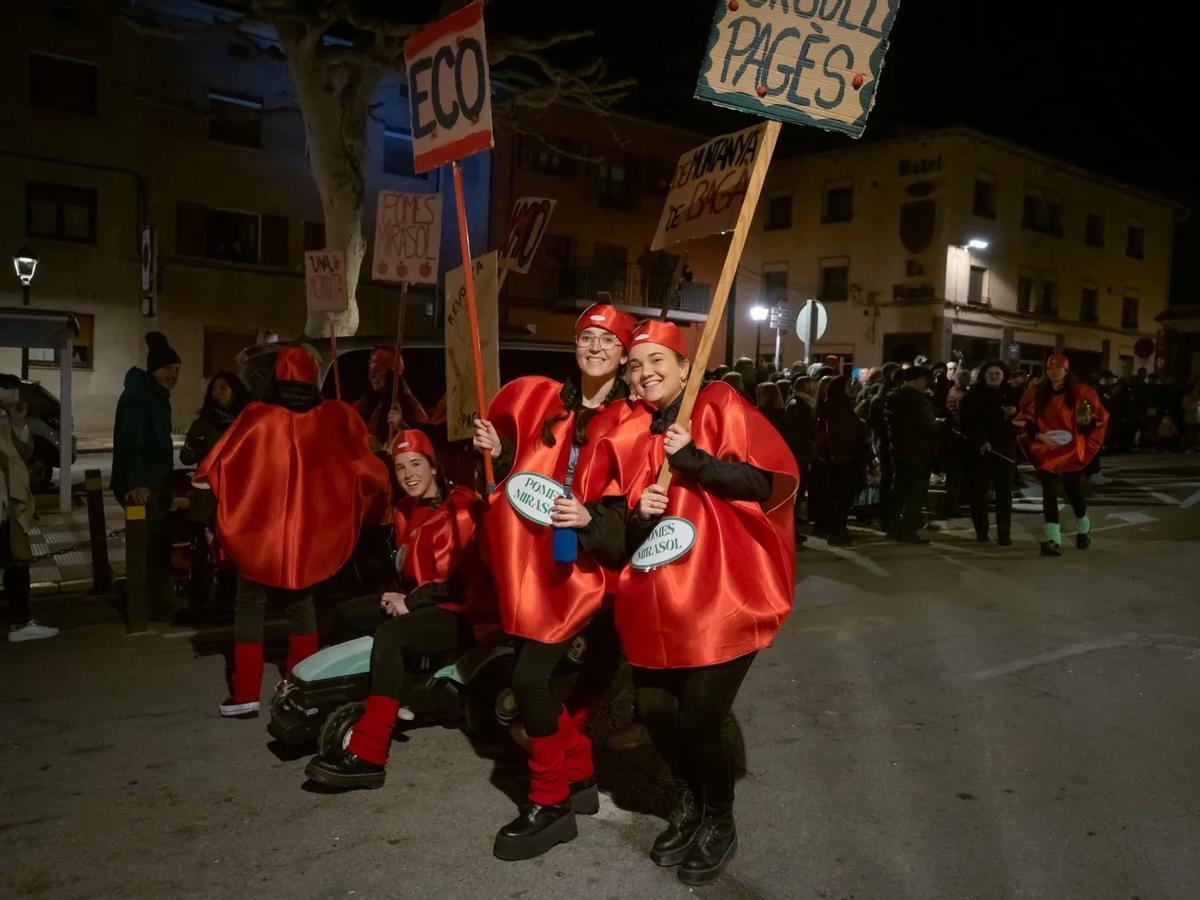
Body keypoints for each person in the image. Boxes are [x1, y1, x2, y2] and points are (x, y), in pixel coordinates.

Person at [578, 319, 798, 886]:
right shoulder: (634, 432)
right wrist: (640, 513)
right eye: (636, 365)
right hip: (661, 601)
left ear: (683, 366)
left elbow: (762, 483)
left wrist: (695, 458)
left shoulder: (717, 402)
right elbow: (624, 538)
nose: (645, 372)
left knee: (700, 715)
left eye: (658, 361)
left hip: (724, 594)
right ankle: (692, 803)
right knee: (653, 710)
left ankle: (718, 817)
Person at [472, 304, 637, 861]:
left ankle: (551, 801)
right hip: (535, 570)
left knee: (531, 680)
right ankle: (581, 774)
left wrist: (593, 520)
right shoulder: (547, 403)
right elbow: (522, 477)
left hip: (587, 579)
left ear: (622, 353)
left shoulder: (633, 420)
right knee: (545, 683)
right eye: (586, 337)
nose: (594, 348)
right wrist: (498, 455)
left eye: (606, 340)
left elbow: (635, 511)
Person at [193, 346, 390, 717]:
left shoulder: (256, 417)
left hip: (257, 536)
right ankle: (303, 688)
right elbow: (364, 470)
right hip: (307, 539)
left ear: (277, 379)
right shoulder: (334, 417)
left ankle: (245, 693)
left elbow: (218, 466)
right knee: (302, 607)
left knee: (249, 608)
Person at [304, 429, 489, 788]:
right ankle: (358, 701)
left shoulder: (462, 507)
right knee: (346, 614)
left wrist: (411, 602)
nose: (408, 475)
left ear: (434, 467)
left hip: (460, 610)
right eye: (401, 467)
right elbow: (410, 570)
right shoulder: (405, 510)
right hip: (419, 603)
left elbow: (463, 581)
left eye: (416, 464)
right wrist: (394, 594)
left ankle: (371, 753)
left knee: (392, 634)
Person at [111, 331, 182, 622]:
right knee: (152, 544)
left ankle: (152, 601)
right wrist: (137, 483)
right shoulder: (139, 397)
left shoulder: (154, 395)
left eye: (176, 370)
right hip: (144, 485)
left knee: (156, 542)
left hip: (155, 482)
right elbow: (132, 441)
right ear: (155, 368)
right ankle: (151, 605)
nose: (173, 375)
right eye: (168, 369)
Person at [1015, 354, 1108, 557]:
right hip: (1047, 449)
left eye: (1058, 368)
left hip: (1071, 450)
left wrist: (1088, 421)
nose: (1053, 372)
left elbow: (1097, 419)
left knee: (1072, 490)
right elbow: (1026, 421)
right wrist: (1039, 435)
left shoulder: (1081, 393)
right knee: (1048, 490)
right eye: (1050, 368)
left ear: (1067, 371)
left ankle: (1083, 525)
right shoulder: (1036, 394)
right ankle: (1052, 539)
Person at [179, 372, 251, 623]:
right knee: (201, 554)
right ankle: (198, 602)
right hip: (206, 499)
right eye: (214, 389)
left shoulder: (246, 422)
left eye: (224, 387)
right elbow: (187, 458)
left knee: (232, 554)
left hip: (236, 499)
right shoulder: (202, 423)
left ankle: (227, 601)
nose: (218, 393)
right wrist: (194, 445)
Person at [2, 396, 56, 642]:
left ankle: (20, 620)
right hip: (5, 500)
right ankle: (20, 621)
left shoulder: (5, 423)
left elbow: (23, 451)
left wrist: (17, 422)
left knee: (17, 559)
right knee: (16, 560)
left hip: (8, 502)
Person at [960, 361, 1018, 545]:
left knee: (1004, 494)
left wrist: (1015, 412)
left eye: (998, 373)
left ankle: (1004, 533)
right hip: (980, 451)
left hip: (1005, 451)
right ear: (983, 375)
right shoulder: (973, 396)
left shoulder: (1011, 395)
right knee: (978, 494)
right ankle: (982, 531)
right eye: (990, 373)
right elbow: (967, 421)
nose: (994, 376)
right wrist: (980, 440)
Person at [884, 366, 938, 543]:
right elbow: (927, 426)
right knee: (916, 493)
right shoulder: (918, 401)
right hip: (918, 452)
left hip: (898, 450)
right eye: (924, 380)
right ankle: (908, 530)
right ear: (917, 380)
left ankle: (892, 529)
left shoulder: (893, 398)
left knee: (898, 491)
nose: (926, 384)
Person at [813, 375, 868, 545]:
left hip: (838, 456)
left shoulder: (831, 405)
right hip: (843, 456)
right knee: (843, 494)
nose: (851, 388)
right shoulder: (839, 407)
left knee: (838, 494)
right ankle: (838, 530)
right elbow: (851, 428)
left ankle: (837, 528)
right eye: (847, 385)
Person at [354, 348, 428, 451]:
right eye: (370, 370)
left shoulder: (408, 404)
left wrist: (401, 425)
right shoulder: (368, 402)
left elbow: (421, 444)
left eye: (378, 370)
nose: (371, 376)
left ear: (391, 374)